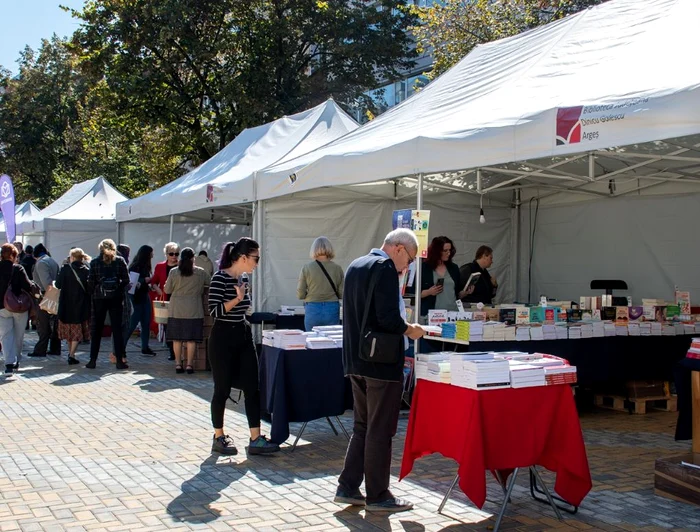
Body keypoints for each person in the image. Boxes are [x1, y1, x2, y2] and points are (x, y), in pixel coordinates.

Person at [336, 228, 425, 513]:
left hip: (356, 359)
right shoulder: (384, 268)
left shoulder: (356, 265)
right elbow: (388, 318)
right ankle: (378, 494)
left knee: (363, 426)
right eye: (409, 259)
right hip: (380, 362)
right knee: (380, 429)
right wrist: (410, 330)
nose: (407, 267)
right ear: (398, 248)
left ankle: (348, 486)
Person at [208, 237, 279, 456]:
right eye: (255, 258)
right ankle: (219, 436)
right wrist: (237, 300)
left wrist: (244, 305)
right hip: (222, 337)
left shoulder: (244, 278)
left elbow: (245, 308)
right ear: (243, 257)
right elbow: (214, 311)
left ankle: (255, 439)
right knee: (222, 389)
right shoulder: (219, 278)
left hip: (243, 334)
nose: (257, 262)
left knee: (252, 387)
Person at [86, 239, 130, 369]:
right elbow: (126, 280)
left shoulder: (94, 262)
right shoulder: (120, 261)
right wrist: (118, 289)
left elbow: (90, 282)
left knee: (97, 329)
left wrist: (94, 291)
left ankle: (92, 360)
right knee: (117, 330)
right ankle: (119, 361)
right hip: (116, 298)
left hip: (99, 298)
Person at [164, 247, 209, 374]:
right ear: (192, 258)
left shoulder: (173, 272)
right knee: (191, 339)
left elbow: (167, 290)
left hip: (176, 309)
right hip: (194, 308)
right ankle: (189, 365)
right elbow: (210, 282)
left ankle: (178, 364)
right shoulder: (200, 272)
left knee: (177, 339)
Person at [297, 236, 344, 331]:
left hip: (312, 307)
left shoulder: (307, 268)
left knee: (311, 339)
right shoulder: (337, 268)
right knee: (331, 340)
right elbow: (342, 293)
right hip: (332, 307)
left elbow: (300, 293)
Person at [0, 243, 34, 373]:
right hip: (19, 306)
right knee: (19, 335)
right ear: (14, 255)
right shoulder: (18, 268)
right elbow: (27, 286)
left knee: (6, 336)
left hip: (1, 307)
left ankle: (9, 363)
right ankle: (17, 360)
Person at [420, 236, 473, 317]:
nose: (449, 253)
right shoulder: (424, 268)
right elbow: (413, 294)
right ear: (436, 252)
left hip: (453, 313)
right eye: (445, 250)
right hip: (433, 315)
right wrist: (429, 292)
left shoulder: (453, 268)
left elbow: (455, 293)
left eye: (450, 250)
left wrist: (465, 293)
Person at [55, 248, 91, 365]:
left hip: (66, 304)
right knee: (77, 330)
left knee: (69, 331)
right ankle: (72, 354)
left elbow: (58, 284)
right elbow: (89, 288)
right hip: (80, 305)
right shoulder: (86, 270)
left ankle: (71, 354)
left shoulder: (65, 269)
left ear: (73, 257)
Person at [28, 243, 61, 357]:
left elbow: (46, 283)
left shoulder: (41, 263)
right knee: (54, 324)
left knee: (43, 324)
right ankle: (55, 348)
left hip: (45, 296)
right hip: (54, 294)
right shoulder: (52, 261)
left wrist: (46, 296)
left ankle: (40, 349)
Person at [151, 242, 180, 361]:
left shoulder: (182, 266)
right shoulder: (160, 266)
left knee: (178, 325)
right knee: (168, 327)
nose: (174, 256)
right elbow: (153, 282)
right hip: (165, 299)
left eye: (176, 254)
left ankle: (178, 351)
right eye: (171, 254)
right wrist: (159, 290)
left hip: (179, 299)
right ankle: (171, 351)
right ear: (166, 254)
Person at [126, 245, 156, 356]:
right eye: (151, 253)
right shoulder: (136, 266)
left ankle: (145, 347)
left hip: (144, 295)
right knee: (132, 324)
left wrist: (147, 286)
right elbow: (132, 281)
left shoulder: (144, 266)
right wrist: (144, 280)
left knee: (146, 323)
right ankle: (122, 347)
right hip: (136, 298)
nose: (153, 255)